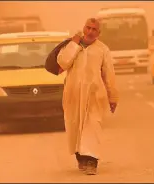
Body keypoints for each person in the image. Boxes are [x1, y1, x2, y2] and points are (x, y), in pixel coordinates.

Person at [57, 18, 119, 175]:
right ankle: (81, 158)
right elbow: (63, 63)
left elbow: (109, 75)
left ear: (99, 33)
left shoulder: (102, 50)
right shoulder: (72, 45)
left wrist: (113, 97)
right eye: (88, 28)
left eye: (94, 29)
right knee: (75, 127)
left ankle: (92, 161)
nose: (90, 31)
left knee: (92, 127)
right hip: (73, 95)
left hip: (94, 96)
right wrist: (74, 44)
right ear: (83, 28)